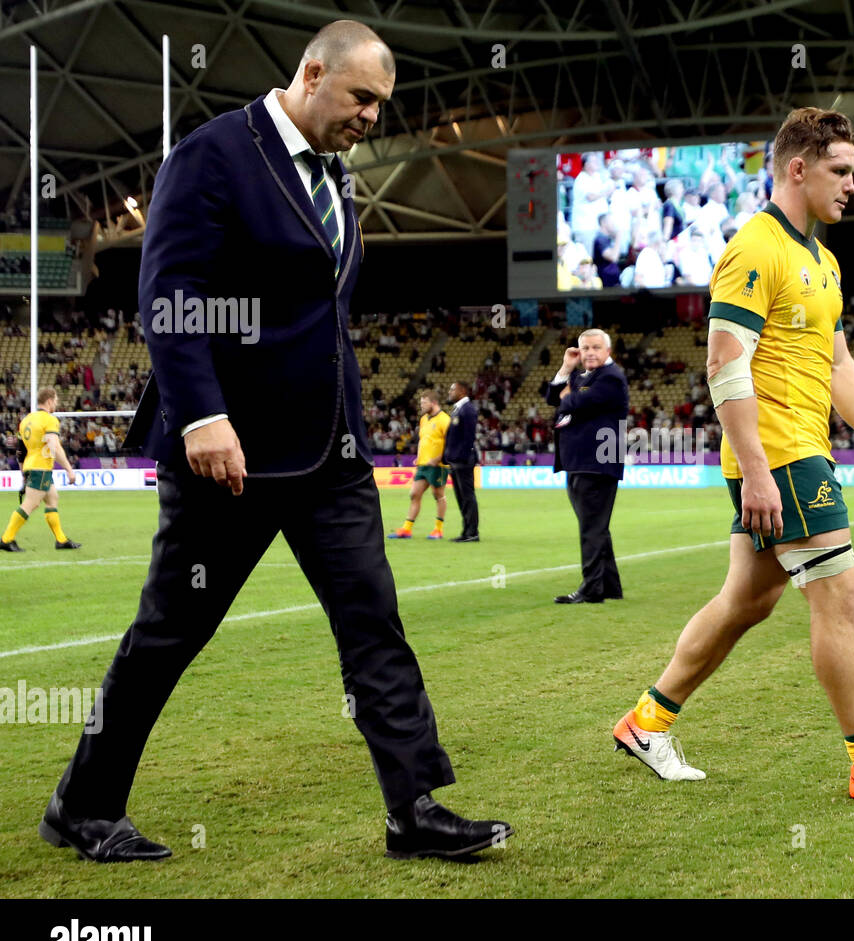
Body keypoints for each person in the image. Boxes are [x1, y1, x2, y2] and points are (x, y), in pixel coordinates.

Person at [39, 21, 510, 864]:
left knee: (374, 621)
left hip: (332, 453)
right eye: (361, 97)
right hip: (231, 456)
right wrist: (201, 416)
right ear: (312, 71)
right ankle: (82, 803)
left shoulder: (332, 178)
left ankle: (415, 808)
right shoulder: (215, 154)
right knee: (169, 633)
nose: (371, 116)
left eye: (381, 104)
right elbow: (169, 294)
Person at [610, 107, 854, 804]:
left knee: (748, 599)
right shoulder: (755, 248)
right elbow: (724, 363)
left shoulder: (823, 263)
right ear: (797, 168)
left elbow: (837, 365)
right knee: (841, 594)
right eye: (841, 170)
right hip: (782, 454)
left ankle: (647, 721)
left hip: (801, 449)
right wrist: (760, 469)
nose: (853, 184)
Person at [547, 329, 629, 604]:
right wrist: (565, 368)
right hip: (582, 460)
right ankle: (609, 585)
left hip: (595, 460)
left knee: (591, 527)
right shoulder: (582, 376)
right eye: (585, 348)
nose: (590, 352)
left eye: (596, 347)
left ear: (608, 351)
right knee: (595, 525)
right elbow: (554, 399)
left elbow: (574, 403)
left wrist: (567, 397)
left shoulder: (611, 377)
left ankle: (592, 589)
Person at [2, 387, 80, 552]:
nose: (56, 404)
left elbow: (21, 451)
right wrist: (69, 469)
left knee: (52, 498)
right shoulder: (49, 420)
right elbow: (54, 446)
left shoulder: (26, 421)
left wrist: (24, 473)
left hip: (32, 466)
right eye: (56, 401)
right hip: (41, 467)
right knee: (31, 504)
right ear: (50, 401)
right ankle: (6, 539)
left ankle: (61, 540)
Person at [389, 390, 449, 540]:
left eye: (424, 403)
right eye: (421, 403)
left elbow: (450, 444)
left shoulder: (444, 420)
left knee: (438, 495)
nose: (421, 406)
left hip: (438, 464)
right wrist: (419, 457)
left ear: (433, 402)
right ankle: (406, 530)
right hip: (423, 464)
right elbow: (424, 440)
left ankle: (438, 530)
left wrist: (437, 459)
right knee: (414, 494)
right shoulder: (424, 419)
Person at [443, 380, 480, 542]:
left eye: (452, 390)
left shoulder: (468, 410)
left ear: (462, 391)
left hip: (462, 461)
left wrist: (461, 457)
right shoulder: (458, 409)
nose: (450, 392)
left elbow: (468, 437)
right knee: (461, 497)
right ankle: (466, 530)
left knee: (467, 496)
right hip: (456, 460)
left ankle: (472, 532)